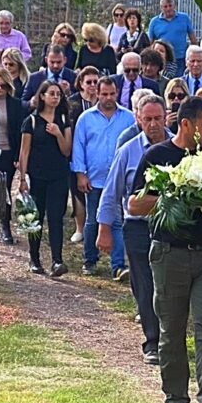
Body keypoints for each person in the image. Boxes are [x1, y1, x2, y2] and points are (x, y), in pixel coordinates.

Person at [128, 95, 202, 403]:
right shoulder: (157, 156)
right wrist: (174, 193)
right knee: (172, 330)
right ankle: (175, 399)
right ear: (186, 125)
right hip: (169, 255)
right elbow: (135, 205)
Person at [97, 92, 169, 366]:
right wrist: (104, 229)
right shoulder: (128, 150)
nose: (153, 124)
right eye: (147, 119)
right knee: (144, 283)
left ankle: (168, 337)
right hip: (137, 227)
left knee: (168, 284)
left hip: (170, 227)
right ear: (138, 119)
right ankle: (152, 341)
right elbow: (112, 191)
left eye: (157, 118)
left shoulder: (178, 146)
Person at [72, 76, 135, 279]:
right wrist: (81, 174)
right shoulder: (86, 118)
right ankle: (90, 260)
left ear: (117, 93)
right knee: (92, 221)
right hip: (94, 179)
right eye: (104, 94)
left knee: (117, 222)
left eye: (112, 93)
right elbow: (78, 147)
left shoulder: (128, 117)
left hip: (118, 180)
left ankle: (118, 265)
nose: (108, 98)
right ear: (97, 93)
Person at [19, 80, 73, 276]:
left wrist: (58, 134)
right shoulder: (31, 121)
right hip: (38, 176)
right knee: (36, 217)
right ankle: (34, 259)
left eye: (58, 94)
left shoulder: (64, 119)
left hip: (58, 175)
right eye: (51, 94)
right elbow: (24, 152)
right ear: (42, 96)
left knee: (56, 217)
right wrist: (23, 178)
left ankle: (57, 260)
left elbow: (67, 150)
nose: (55, 97)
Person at [0, 67, 26, 246]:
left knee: (5, 190)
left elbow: (19, 132)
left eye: (2, 85)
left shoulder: (16, 105)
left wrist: (18, 156)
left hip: (7, 151)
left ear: (8, 86)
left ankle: (5, 226)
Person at [67, 66, 101, 244]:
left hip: (98, 151)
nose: (93, 86)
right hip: (76, 151)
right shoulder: (72, 102)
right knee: (78, 192)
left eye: (96, 82)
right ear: (81, 83)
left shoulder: (103, 101)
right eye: (89, 82)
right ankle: (80, 227)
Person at [148, 0, 196, 76]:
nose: (168, 8)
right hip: (163, 60)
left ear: (174, 5)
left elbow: (193, 38)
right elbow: (150, 43)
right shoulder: (154, 22)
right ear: (161, 8)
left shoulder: (184, 18)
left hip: (181, 58)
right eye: (165, 6)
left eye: (170, 5)